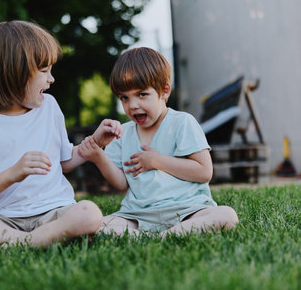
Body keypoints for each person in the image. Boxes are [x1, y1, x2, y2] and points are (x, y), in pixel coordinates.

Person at [0, 20, 122, 247]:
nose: (51, 79)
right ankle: (24, 240)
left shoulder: (49, 107)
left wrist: (95, 142)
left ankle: (21, 242)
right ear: (14, 73)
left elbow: (64, 162)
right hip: (1, 221)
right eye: (44, 71)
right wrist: (14, 173)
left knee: (89, 213)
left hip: (55, 213)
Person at [78, 47, 239, 237]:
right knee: (94, 226)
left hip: (188, 210)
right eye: (124, 98)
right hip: (138, 214)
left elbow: (204, 172)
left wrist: (156, 161)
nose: (133, 105)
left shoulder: (182, 122)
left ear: (164, 91)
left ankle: (165, 235)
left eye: (142, 94)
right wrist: (99, 157)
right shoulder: (122, 133)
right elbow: (121, 184)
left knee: (226, 215)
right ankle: (155, 234)